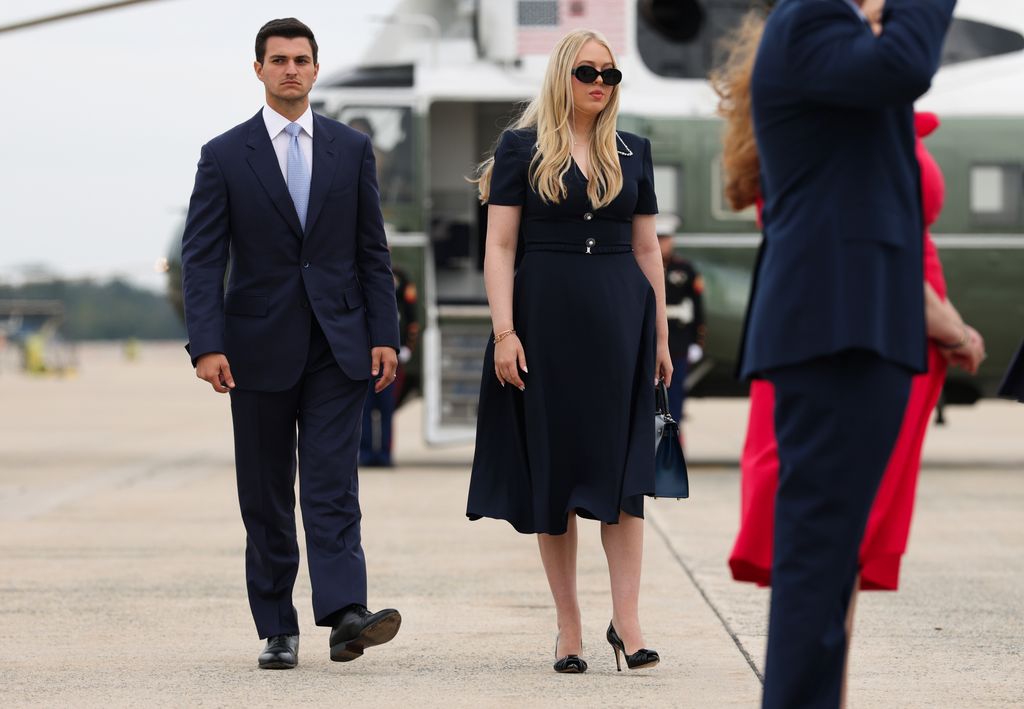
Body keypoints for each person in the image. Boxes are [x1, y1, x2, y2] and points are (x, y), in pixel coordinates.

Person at [731, 1, 958, 706]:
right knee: (819, 558)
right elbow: (907, 65)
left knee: (829, 564)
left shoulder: (830, 29)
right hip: (835, 328)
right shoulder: (812, 18)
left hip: (854, 325)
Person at [181, 18, 403, 670]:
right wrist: (206, 344)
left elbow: (372, 251)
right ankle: (278, 625)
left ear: (315, 67)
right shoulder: (224, 155)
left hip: (339, 345)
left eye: (302, 60)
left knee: (333, 485)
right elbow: (202, 260)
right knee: (267, 492)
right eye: (278, 60)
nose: (291, 70)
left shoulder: (351, 149)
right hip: (254, 349)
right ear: (259, 70)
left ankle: (344, 615)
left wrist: (385, 335)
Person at [465, 29, 670, 675]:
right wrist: (504, 331)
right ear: (562, 74)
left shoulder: (634, 150)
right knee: (553, 474)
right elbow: (499, 246)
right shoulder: (519, 147)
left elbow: (647, 249)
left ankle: (628, 621)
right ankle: (569, 626)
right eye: (588, 71)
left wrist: (660, 335)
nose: (600, 84)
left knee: (622, 476)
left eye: (610, 75)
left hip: (619, 321)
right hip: (543, 321)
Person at [360, 264, 419, 467]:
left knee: (387, 408)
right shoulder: (359, 270)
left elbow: (410, 316)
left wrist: (406, 347)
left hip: (392, 355)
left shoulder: (400, 277)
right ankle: (366, 453)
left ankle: (385, 454)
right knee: (364, 409)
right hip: (365, 356)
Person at [658, 215, 706, 428]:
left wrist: (697, 340)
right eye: (658, 238)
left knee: (675, 392)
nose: (662, 243)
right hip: (652, 340)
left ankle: (673, 439)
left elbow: (697, 306)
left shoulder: (685, 269)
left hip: (678, 341)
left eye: (665, 238)